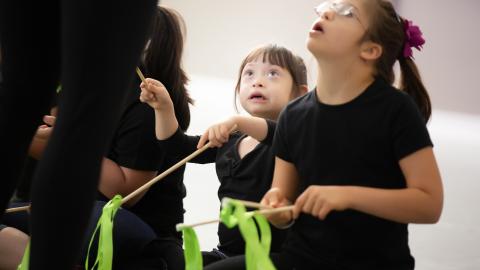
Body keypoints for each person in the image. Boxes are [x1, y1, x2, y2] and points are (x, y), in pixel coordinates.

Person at [205, 1, 443, 269]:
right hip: (301, 260)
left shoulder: (395, 109)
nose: (327, 12)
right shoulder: (293, 116)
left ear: (370, 49)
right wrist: (276, 208)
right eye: (330, 6)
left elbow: (430, 204)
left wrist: (346, 195)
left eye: (348, 13)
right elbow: (282, 201)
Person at [2, 5, 192, 270]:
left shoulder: (145, 108)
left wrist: (58, 139)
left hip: (131, 222)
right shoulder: (80, 90)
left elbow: (126, 191)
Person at [140, 44, 308, 266]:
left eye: (272, 74)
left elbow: (278, 134)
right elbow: (176, 147)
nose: (257, 81)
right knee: (158, 258)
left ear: (299, 93)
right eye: (249, 74)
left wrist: (238, 121)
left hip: (271, 259)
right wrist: (164, 108)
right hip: (226, 254)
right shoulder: (231, 139)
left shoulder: (294, 138)